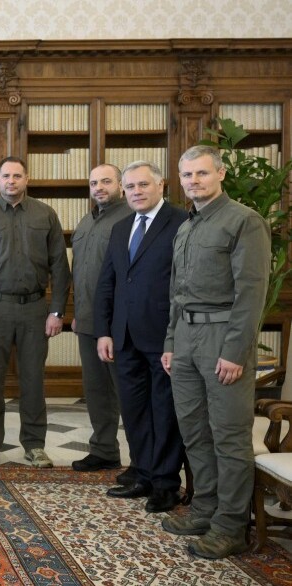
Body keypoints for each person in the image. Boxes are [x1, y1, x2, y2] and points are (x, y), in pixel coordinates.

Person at [161, 145, 270, 559]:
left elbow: (251, 293)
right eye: (187, 175)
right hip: (186, 339)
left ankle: (230, 527)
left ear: (221, 174)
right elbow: (176, 293)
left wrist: (236, 352)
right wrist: (171, 343)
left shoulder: (244, 221)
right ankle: (204, 510)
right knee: (194, 431)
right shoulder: (187, 226)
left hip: (223, 338)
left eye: (202, 173)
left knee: (228, 435)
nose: (194, 181)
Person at [0, 156, 70, 468]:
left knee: (33, 380)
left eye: (17, 176)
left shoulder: (45, 215)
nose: (11, 181)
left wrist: (57, 311)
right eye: (6, 176)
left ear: (26, 179)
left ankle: (34, 445)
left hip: (35, 309)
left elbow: (60, 267)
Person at [95, 161, 188, 514]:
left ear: (161, 185)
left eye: (143, 185)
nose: (136, 191)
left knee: (164, 412)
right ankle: (143, 473)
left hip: (163, 335)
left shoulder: (181, 222)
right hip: (124, 336)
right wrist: (104, 331)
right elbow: (109, 282)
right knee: (134, 410)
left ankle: (165, 484)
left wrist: (176, 338)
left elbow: (183, 285)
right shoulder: (121, 227)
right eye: (131, 186)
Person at [69, 164, 131, 473]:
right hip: (87, 321)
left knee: (127, 392)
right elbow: (80, 271)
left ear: (120, 185)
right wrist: (78, 313)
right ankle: (104, 450)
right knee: (96, 391)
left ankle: (142, 462)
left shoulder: (130, 218)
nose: (99, 188)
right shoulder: (87, 220)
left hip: (119, 323)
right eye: (94, 183)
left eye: (106, 181)